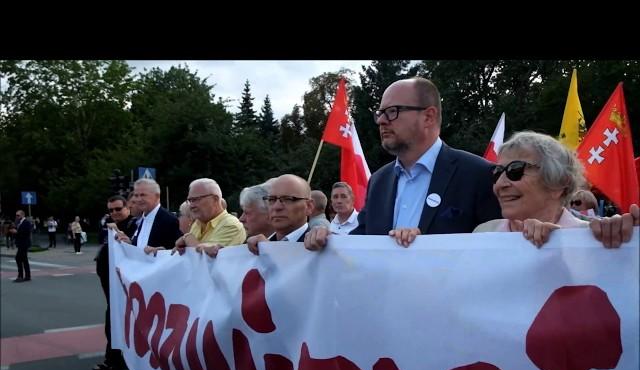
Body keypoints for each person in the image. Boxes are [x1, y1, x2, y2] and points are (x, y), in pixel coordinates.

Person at [305, 77, 501, 251]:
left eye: (392, 111)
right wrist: (329, 241)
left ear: (428, 117)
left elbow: (500, 250)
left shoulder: (478, 174)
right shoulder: (379, 181)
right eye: (380, 113)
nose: (381, 120)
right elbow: (361, 243)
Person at [473, 131, 639, 248]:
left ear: (559, 183)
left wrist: (632, 242)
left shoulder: (599, 238)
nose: (500, 184)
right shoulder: (482, 234)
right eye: (497, 172)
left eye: (515, 170)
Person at [114, 178, 182, 370]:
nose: (138, 199)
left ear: (157, 197)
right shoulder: (137, 223)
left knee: (159, 343)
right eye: (136, 194)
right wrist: (126, 243)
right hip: (141, 294)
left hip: (161, 295)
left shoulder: (168, 221)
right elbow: (137, 251)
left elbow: (177, 254)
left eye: (143, 195)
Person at [92, 195, 138, 370]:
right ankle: (117, 357)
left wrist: (119, 233)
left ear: (127, 208)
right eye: (111, 210)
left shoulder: (134, 225)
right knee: (114, 317)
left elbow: (135, 247)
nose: (115, 213)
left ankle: (115, 359)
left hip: (124, 280)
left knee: (117, 318)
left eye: (118, 209)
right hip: (108, 278)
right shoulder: (107, 226)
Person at [172, 178, 246, 257]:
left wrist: (187, 237)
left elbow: (207, 258)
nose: (192, 206)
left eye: (196, 199)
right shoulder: (197, 224)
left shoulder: (232, 225)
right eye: (190, 200)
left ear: (215, 199)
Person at [247, 174, 313, 255]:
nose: (276, 207)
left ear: (309, 206)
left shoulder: (323, 250)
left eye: (288, 199)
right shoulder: (256, 249)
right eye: (271, 199)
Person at [11, 210, 32, 283]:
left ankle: (20, 276)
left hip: (24, 243)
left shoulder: (26, 222)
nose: (17, 217)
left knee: (18, 258)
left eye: (18, 215)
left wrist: (16, 232)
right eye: (16, 215)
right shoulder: (19, 222)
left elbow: (26, 233)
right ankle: (27, 276)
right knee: (24, 259)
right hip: (21, 243)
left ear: (22, 215)